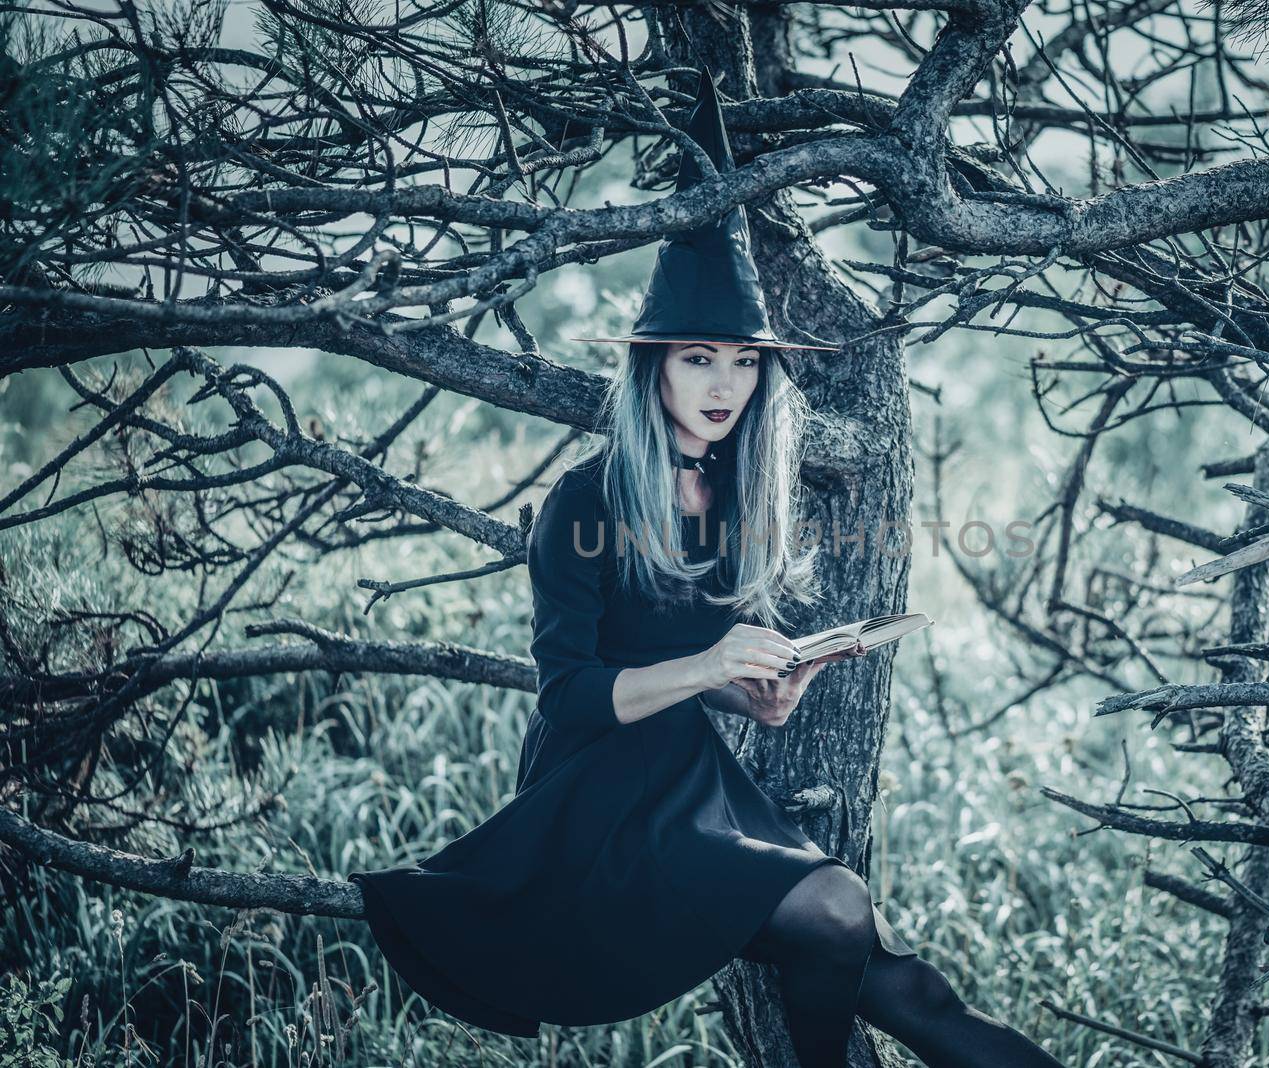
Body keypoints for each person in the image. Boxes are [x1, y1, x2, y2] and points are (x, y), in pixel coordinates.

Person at [349, 67, 1067, 1068]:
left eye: (740, 362)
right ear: (652, 368)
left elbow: (717, 675)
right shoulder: (584, 500)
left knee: (898, 982)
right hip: (596, 801)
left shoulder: (736, 499)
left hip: (693, 778)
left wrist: (761, 696)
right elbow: (570, 695)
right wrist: (706, 668)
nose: (724, 383)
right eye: (698, 359)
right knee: (834, 907)